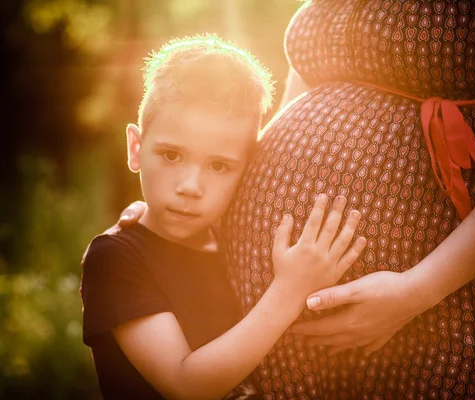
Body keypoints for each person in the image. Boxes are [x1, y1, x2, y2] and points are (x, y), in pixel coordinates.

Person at [118, 1, 475, 398]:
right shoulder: (126, 255)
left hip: (454, 308)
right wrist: (192, 211)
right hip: (280, 333)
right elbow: (270, 126)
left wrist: (418, 289)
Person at [79, 34, 368, 400]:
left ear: (248, 170)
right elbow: (186, 385)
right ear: (136, 148)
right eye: (170, 155)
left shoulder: (234, 239)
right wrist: (291, 290)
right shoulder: (115, 257)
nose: (190, 185)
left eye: (219, 166)